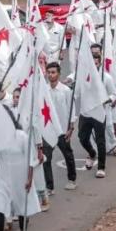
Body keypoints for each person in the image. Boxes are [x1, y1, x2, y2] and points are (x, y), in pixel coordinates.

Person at [0, 110, 40, 231]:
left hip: (20, 176)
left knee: (21, 207)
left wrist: (29, 178)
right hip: (2, 176)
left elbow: (31, 158)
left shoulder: (22, 137)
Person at [77, 52, 116, 178]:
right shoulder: (82, 76)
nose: (94, 67)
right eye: (91, 64)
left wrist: (108, 99)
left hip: (99, 112)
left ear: (100, 63)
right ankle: (92, 153)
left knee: (100, 140)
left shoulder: (106, 78)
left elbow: (114, 94)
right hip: (85, 112)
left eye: (96, 64)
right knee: (82, 138)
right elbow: (73, 82)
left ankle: (101, 167)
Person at [43, 62, 77, 192]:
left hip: (62, 130)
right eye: (49, 72)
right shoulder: (44, 90)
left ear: (58, 73)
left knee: (68, 155)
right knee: (47, 158)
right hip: (49, 130)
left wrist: (71, 128)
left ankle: (72, 179)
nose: (51, 75)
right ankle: (49, 186)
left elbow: (71, 109)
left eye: (53, 72)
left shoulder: (66, 91)